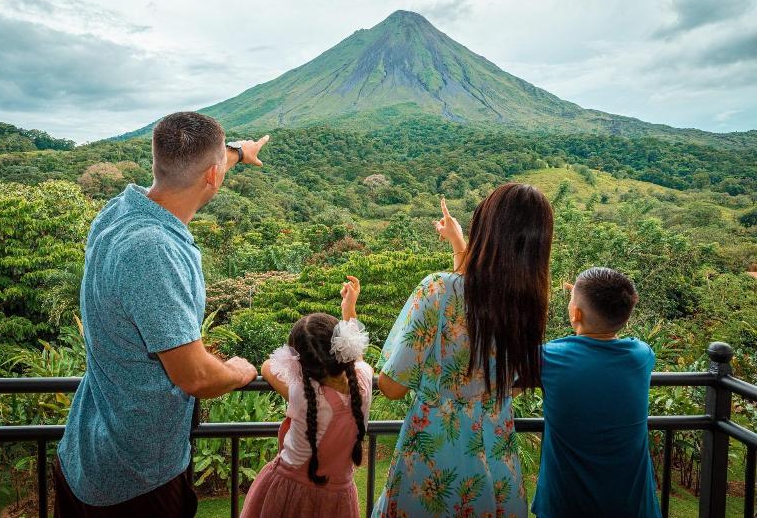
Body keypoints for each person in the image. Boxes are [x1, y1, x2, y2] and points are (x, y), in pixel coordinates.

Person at [54, 112, 268, 516]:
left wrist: (239, 151)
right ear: (213, 176)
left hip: (87, 450)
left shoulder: (119, 210)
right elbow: (195, 375)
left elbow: (206, 163)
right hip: (135, 480)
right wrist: (241, 370)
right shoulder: (154, 251)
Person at [373, 183, 554, 517]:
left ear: (486, 229)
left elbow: (391, 386)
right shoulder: (528, 305)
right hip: (498, 464)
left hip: (434, 463)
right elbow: (479, 304)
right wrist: (458, 245)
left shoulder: (437, 290)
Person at [532, 267, 661, 518]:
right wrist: (582, 299)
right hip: (632, 506)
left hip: (567, 505)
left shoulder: (548, 358)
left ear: (575, 313)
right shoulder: (642, 356)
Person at [241, 276, 373, 518]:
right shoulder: (363, 381)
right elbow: (358, 357)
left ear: (300, 363)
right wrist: (349, 310)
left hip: (289, 491)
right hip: (338, 499)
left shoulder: (304, 393)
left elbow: (268, 367)